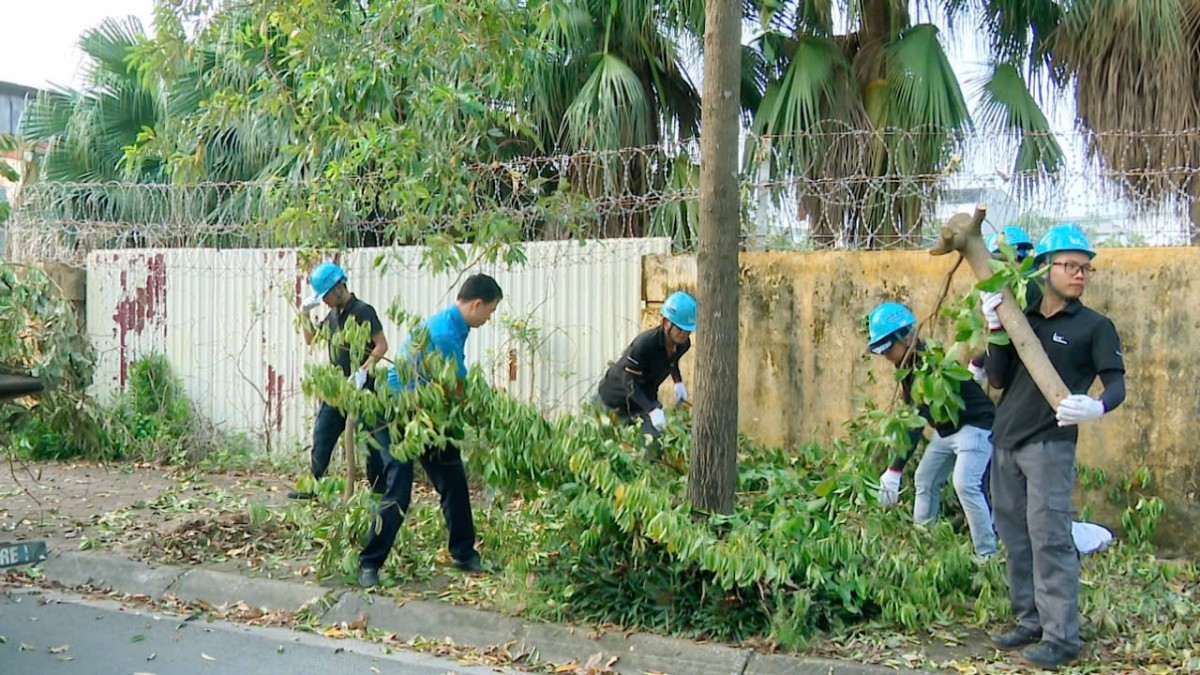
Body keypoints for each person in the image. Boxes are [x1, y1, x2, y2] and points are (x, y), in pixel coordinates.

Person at [981, 224, 1126, 669]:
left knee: (1051, 540)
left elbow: (1117, 383)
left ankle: (1062, 637)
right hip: (1005, 440)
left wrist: (1097, 408)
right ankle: (1030, 621)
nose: (1079, 274)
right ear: (1045, 269)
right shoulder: (1021, 315)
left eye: (1085, 268)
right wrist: (994, 328)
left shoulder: (1094, 327)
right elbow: (999, 378)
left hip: (1050, 445)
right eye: (1069, 265)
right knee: (1016, 536)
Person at [357, 273, 503, 587]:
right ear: (477, 305)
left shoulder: (452, 324)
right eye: (490, 311)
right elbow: (457, 387)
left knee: (453, 480)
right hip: (398, 412)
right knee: (399, 487)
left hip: (430, 413)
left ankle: (464, 554)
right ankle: (368, 564)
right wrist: (486, 411)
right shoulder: (445, 332)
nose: (489, 318)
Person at [867, 302, 998, 560]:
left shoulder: (928, 364)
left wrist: (894, 469)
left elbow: (916, 418)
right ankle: (923, 545)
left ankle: (987, 555)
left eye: (888, 347)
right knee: (925, 479)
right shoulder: (905, 363)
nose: (886, 355)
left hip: (975, 427)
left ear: (907, 337)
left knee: (965, 485)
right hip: (946, 431)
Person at [293, 261, 389, 499]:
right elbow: (311, 339)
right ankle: (313, 486)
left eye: (326, 295)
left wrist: (363, 371)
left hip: (365, 388)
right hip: (338, 388)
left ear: (339, 287)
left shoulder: (363, 311)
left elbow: (381, 345)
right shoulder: (333, 315)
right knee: (323, 433)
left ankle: (379, 491)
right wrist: (304, 313)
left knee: (371, 442)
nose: (324, 300)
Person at [595, 291, 695, 459]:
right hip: (612, 400)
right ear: (665, 323)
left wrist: (678, 381)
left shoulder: (683, 344)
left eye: (688, 330)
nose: (684, 334)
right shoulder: (645, 344)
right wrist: (652, 409)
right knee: (604, 453)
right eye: (680, 328)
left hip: (643, 400)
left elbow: (671, 361)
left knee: (654, 448)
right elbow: (628, 381)